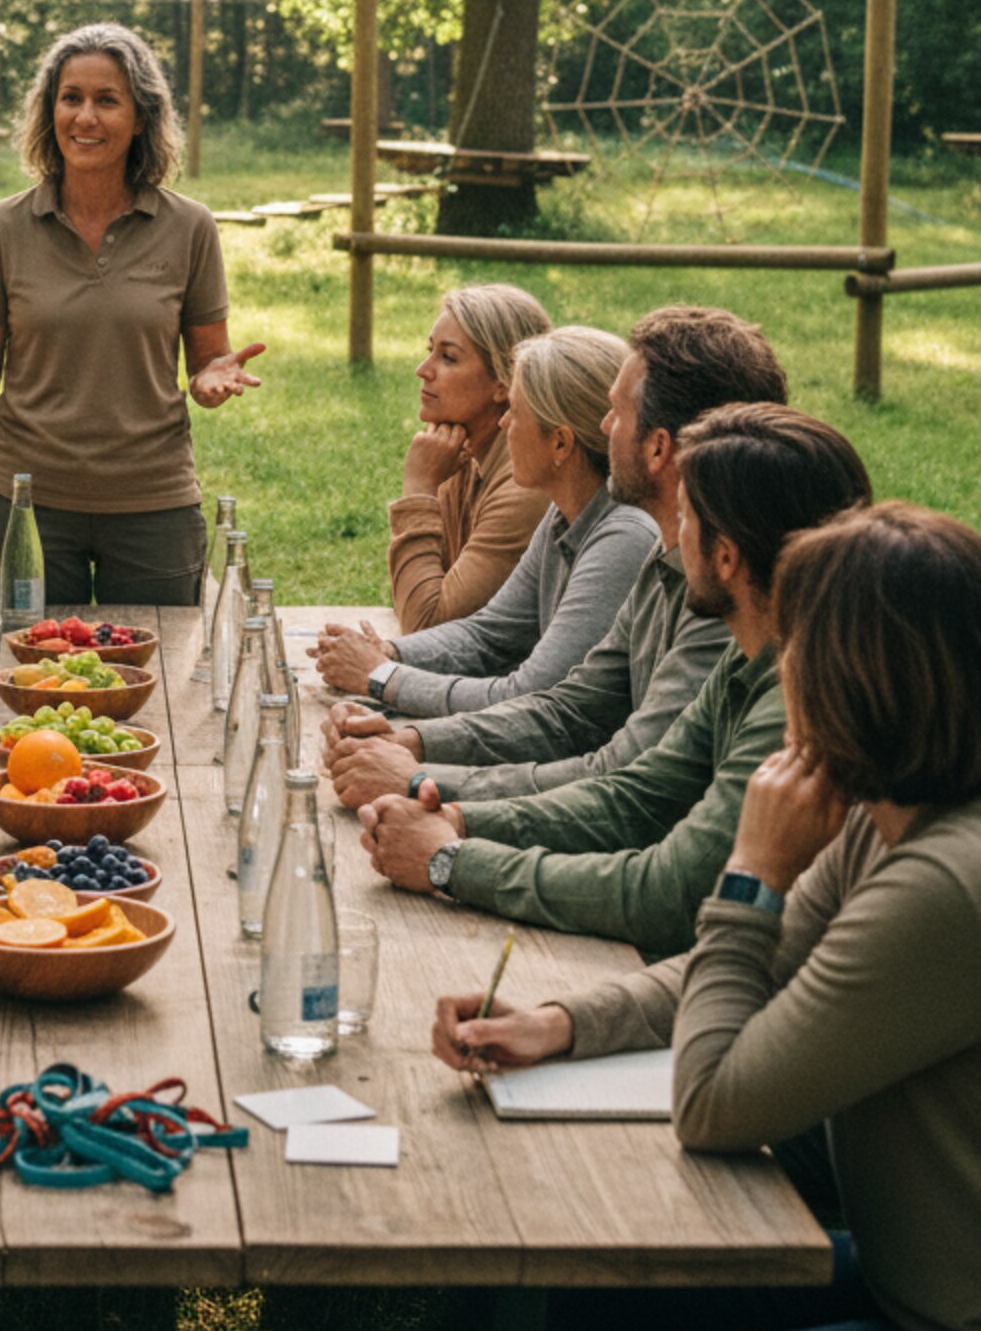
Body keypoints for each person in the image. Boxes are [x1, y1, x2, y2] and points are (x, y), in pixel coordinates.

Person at [431, 504, 981, 1331]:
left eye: (801, 649)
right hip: (910, 1277)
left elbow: (713, 1103)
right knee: (584, 1293)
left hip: (979, 1324)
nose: (784, 669)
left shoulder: (951, 887)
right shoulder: (902, 816)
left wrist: (754, 872)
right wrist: (561, 1023)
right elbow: (744, 969)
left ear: (862, 677)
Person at [359, 402, 871, 959]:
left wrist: (453, 859)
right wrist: (453, 814)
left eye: (686, 515)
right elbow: (633, 794)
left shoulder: (797, 704)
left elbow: (669, 893)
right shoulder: (753, 653)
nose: (672, 532)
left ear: (725, 557)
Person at [322, 304, 790, 811]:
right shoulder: (660, 545)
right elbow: (564, 702)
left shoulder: (673, 559)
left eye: (617, 412)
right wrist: (413, 740)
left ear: (656, 449)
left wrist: (423, 782)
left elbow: (631, 784)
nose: (604, 425)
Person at [0, 21, 263, 607]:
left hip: (154, 506)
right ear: (48, 111)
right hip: (27, 505)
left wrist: (212, 378)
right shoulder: (1, 227)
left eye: (107, 101)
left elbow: (208, 357)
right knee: (27, 680)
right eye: (71, 98)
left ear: (141, 117)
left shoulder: (190, 227)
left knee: (156, 682)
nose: (85, 118)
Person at [311, 325, 659, 719]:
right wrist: (390, 652)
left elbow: (529, 695)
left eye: (516, 411)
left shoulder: (623, 537)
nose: (503, 424)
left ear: (560, 443)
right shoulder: (565, 512)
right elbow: (489, 632)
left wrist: (381, 676)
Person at [381, 283, 555, 628]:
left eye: (448, 357)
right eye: (429, 350)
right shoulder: (459, 449)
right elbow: (413, 595)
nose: (422, 369)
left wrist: (419, 488)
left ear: (504, 383)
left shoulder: (524, 486)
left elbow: (425, 622)